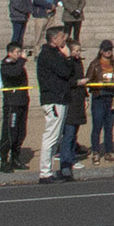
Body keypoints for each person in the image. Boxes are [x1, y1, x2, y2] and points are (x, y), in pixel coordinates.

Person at [36, 27, 80, 182]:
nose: (64, 39)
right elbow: (65, 72)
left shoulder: (55, 54)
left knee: (55, 137)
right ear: (54, 39)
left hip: (60, 98)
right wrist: (68, 58)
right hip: (53, 99)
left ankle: (48, 170)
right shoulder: (48, 55)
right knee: (51, 136)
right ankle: (45, 172)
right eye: (61, 37)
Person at [87, 39, 114, 164]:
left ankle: (108, 152)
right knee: (97, 126)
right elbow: (88, 80)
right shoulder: (95, 64)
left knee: (109, 126)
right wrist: (97, 83)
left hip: (112, 96)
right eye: (106, 49)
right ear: (101, 51)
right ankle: (96, 152)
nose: (108, 51)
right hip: (99, 96)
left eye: (110, 49)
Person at [0, 41, 31, 172]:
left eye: (20, 52)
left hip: (22, 101)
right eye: (17, 52)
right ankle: (4, 160)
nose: (19, 54)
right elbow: (14, 74)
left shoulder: (18, 64)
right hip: (12, 103)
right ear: (10, 53)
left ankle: (15, 158)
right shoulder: (6, 65)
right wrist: (22, 60)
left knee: (21, 132)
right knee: (10, 132)